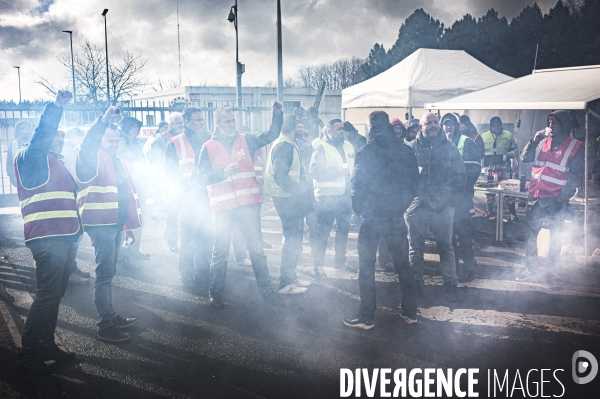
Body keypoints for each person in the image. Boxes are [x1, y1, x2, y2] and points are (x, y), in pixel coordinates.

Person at [13, 91, 81, 375]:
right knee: (47, 296)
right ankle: (28, 353)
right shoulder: (32, 157)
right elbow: (43, 133)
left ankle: (45, 345)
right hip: (47, 237)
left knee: (54, 294)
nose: (60, 138)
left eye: (63, 136)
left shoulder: (57, 162)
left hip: (65, 236)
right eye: (56, 135)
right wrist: (55, 107)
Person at [197, 102, 284, 309]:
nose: (231, 124)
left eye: (233, 120)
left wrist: (277, 115)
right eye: (227, 121)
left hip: (247, 205)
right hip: (224, 208)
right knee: (220, 253)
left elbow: (270, 135)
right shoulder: (208, 146)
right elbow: (200, 178)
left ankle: (268, 292)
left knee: (257, 251)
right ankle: (215, 295)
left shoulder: (246, 140)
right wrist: (222, 174)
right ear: (217, 123)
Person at [344, 111, 419, 330]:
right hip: (395, 217)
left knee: (366, 268)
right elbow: (414, 184)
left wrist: (362, 212)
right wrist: (400, 208)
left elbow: (356, 187)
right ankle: (410, 312)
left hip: (372, 217)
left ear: (370, 126)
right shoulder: (405, 150)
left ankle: (367, 316)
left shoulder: (365, 152)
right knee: (403, 265)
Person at [75, 106, 141, 343]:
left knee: (108, 273)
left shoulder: (115, 159)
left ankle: (111, 316)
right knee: (103, 275)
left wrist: (127, 226)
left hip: (113, 223)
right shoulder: (92, 156)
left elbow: (123, 196)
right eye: (109, 140)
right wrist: (102, 120)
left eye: (116, 140)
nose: (114, 144)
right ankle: (105, 326)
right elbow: (88, 143)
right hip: (100, 224)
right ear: (101, 139)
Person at [405, 112, 466, 302]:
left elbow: (460, 176)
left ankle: (450, 285)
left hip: (443, 205)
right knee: (415, 248)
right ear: (420, 127)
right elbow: (401, 177)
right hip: (417, 205)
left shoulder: (450, 148)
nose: (433, 125)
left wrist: (452, 201)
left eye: (435, 122)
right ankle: (415, 284)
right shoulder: (410, 148)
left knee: (446, 248)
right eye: (428, 123)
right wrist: (406, 201)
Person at [520, 110, 584, 283]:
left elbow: (577, 176)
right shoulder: (540, 142)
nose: (550, 126)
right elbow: (524, 158)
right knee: (531, 234)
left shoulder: (575, 146)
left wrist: (562, 198)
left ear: (564, 126)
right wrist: (533, 141)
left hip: (556, 198)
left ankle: (551, 272)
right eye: (549, 122)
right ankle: (530, 269)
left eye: (555, 123)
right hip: (536, 195)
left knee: (555, 236)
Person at [163, 107, 212, 292]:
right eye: (197, 120)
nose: (201, 123)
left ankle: (203, 272)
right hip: (187, 199)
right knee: (188, 238)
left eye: (202, 120)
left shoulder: (209, 139)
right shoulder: (175, 143)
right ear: (188, 122)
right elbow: (168, 172)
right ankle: (186, 273)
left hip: (208, 197)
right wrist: (184, 190)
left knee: (206, 236)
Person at [264, 114, 313, 294]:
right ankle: (286, 283)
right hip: (288, 200)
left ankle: (291, 277)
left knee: (294, 239)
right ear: (295, 127)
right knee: (292, 240)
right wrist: (297, 189)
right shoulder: (285, 145)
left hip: (288, 199)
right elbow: (280, 175)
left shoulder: (285, 143)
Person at [309, 119, 355, 277]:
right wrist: (335, 172)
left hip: (345, 197)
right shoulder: (321, 148)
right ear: (328, 131)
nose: (341, 131)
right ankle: (318, 266)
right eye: (338, 129)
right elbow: (314, 171)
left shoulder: (348, 146)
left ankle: (340, 263)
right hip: (327, 198)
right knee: (323, 233)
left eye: (342, 129)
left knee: (343, 231)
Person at [442, 113, 481, 282]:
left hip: (462, 199)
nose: (448, 127)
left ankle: (470, 266)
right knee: (448, 236)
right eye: (445, 124)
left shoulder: (466, 142)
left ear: (457, 126)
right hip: (445, 200)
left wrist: (459, 189)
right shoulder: (439, 144)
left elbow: (474, 169)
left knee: (464, 234)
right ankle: (454, 267)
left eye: (451, 124)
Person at [118, 116, 150, 266]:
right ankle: (124, 254)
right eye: (133, 128)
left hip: (138, 187)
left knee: (138, 221)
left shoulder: (135, 144)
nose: (135, 131)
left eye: (137, 129)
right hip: (124, 189)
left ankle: (134, 250)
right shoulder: (119, 143)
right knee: (126, 224)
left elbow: (142, 163)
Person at [481, 117, 519, 219]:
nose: (496, 127)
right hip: (489, 167)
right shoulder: (484, 136)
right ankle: (490, 213)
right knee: (490, 190)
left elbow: (516, 149)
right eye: (494, 126)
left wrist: (512, 153)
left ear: (501, 125)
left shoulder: (508, 135)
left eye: (498, 125)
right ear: (490, 126)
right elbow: (479, 152)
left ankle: (512, 213)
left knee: (507, 189)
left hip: (504, 167)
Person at [158, 113, 184, 252]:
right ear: (170, 125)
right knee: (173, 211)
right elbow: (156, 160)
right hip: (169, 180)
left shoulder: (186, 137)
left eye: (181, 122)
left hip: (183, 178)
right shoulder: (161, 139)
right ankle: (171, 239)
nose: (181, 125)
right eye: (177, 123)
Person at [7, 120, 33, 187]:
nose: (25, 131)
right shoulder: (12, 145)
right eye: (22, 129)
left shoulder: (33, 143)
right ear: (17, 131)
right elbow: (9, 164)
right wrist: (13, 177)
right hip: (17, 178)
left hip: (33, 179)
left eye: (27, 129)